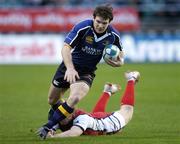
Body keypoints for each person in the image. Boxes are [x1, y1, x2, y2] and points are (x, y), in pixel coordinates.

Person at [37, 4, 124, 139]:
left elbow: (121, 55)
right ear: (93, 18)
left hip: (86, 72)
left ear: (109, 22)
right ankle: (64, 115)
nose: (100, 25)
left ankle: (49, 126)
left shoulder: (113, 36)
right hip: (68, 66)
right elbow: (66, 47)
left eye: (104, 23)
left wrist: (120, 62)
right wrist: (70, 69)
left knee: (75, 97)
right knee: (52, 100)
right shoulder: (83, 27)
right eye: (98, 21)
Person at [44, 71, 140, 138]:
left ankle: (131, 79)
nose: (60, 119)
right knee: (95, 117)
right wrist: (49, 131)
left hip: (110, 123)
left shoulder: (81, 119)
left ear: (69, 114)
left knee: (127, 110)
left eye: (63, 116)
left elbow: (74, 133)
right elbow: (50, 128)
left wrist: (53, 137)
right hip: (95, 118)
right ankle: (107, 92)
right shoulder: (60, 118)